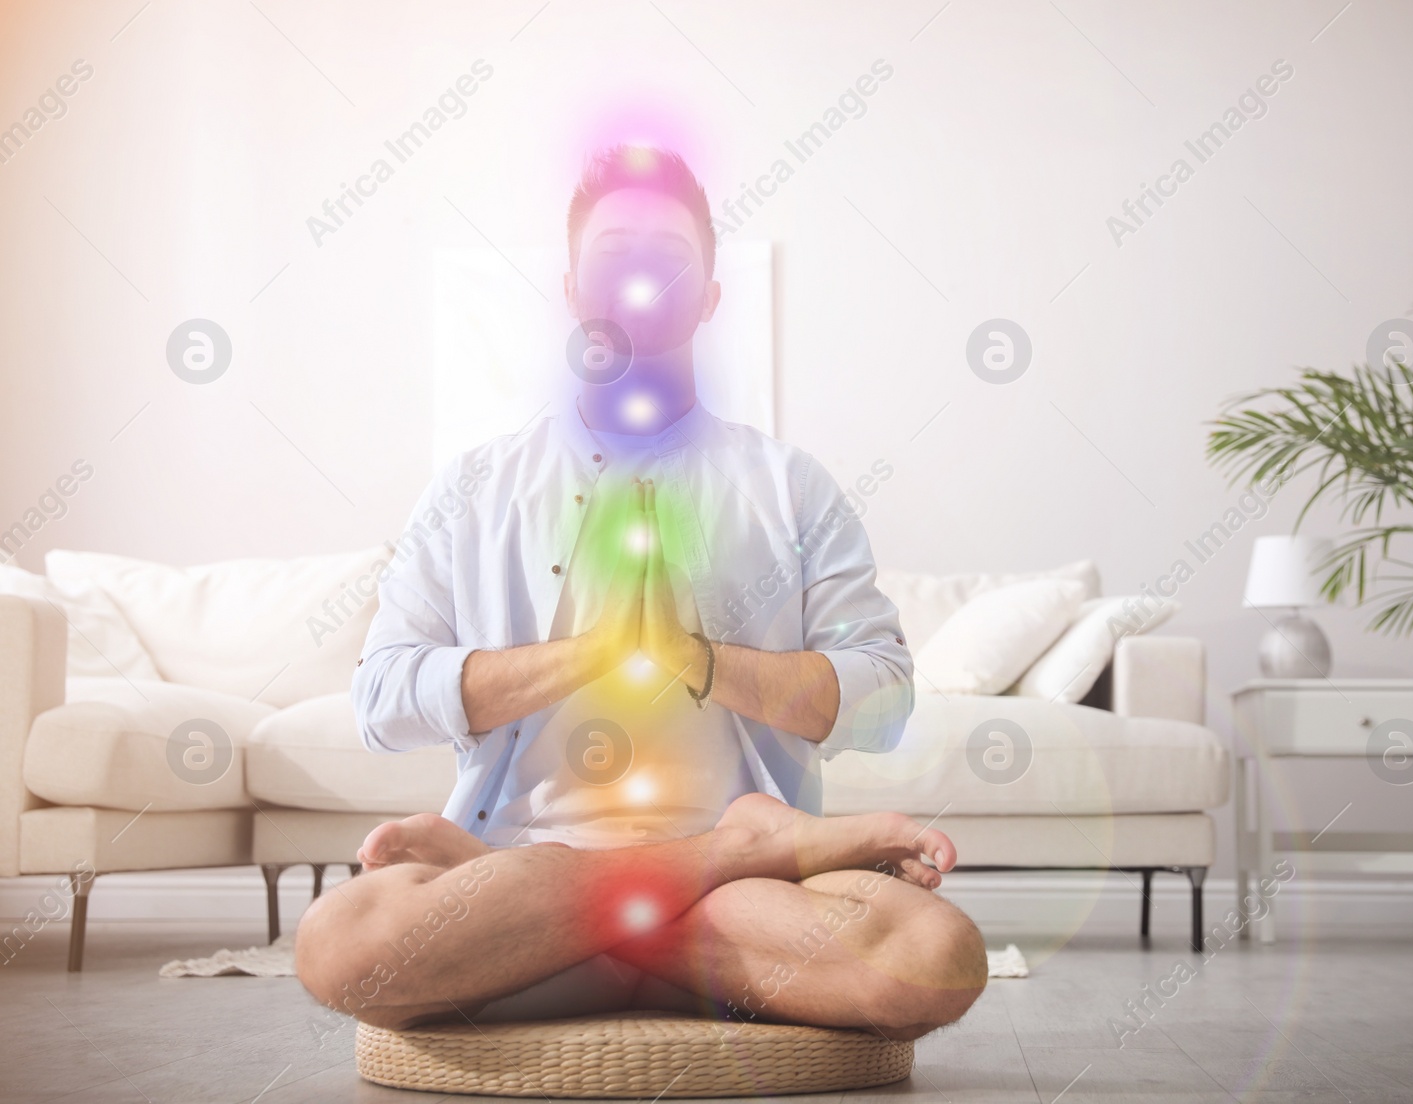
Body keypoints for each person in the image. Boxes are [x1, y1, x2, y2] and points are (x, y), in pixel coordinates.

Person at [294, 146, 987, 1038]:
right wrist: (587, 657)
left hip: (715, 904)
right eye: (615, 249)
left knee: (934, 960)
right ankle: (715, 864)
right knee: (335, 944)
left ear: (708, 297)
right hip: (531, 862)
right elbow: (383, 699)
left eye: (670, 252)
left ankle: (641, 914)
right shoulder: (473, 486)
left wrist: (697, 660)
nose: (642, 273)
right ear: (575, 288)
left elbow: (884, 700)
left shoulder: (789, 485)